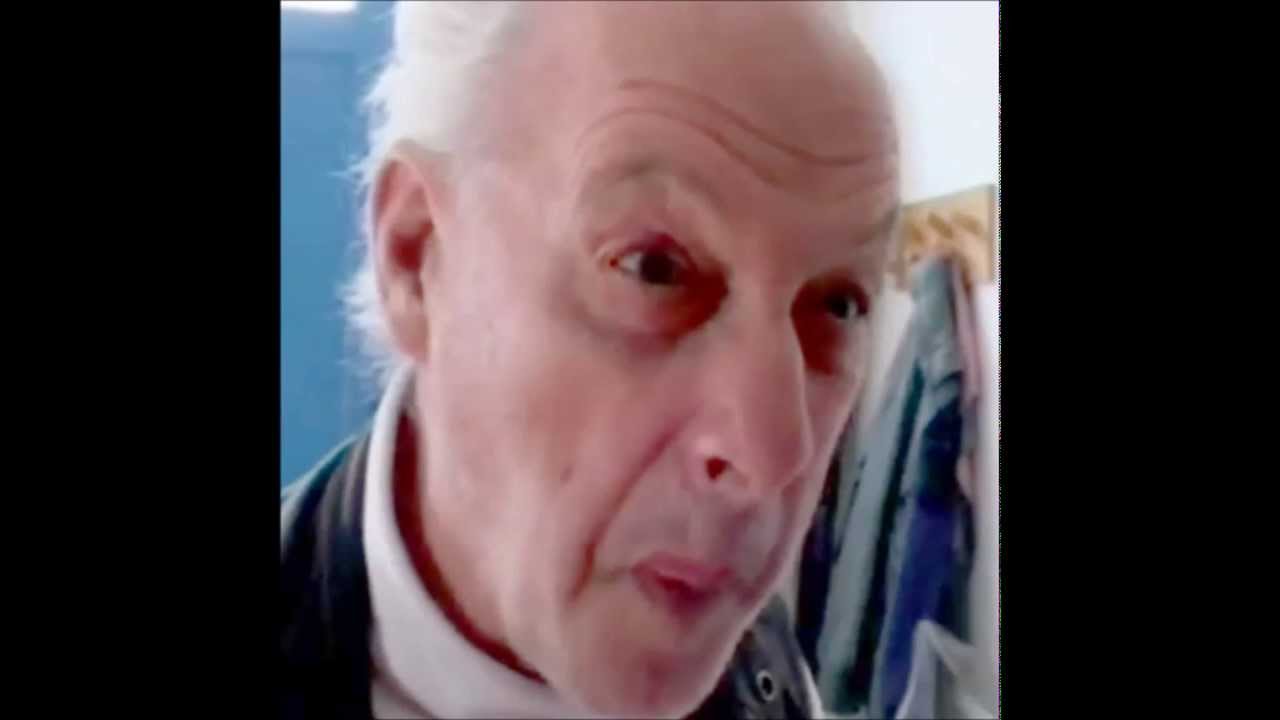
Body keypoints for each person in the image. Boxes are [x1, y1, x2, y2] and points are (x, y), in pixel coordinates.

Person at [281, 1, 900, 718]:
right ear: (417, 258)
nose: (772, 457)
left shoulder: (767, 665)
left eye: (839, 305)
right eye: (655, 269)